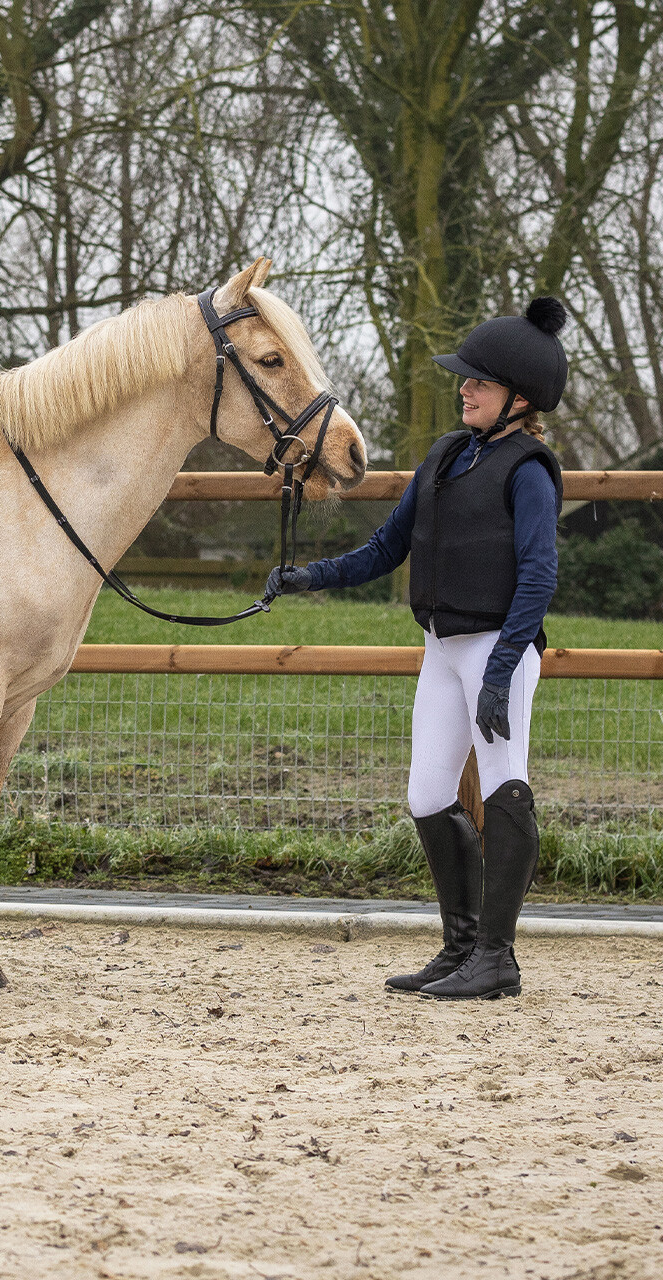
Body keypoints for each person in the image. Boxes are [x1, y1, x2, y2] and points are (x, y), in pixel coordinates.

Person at [267, 297, 568, 1000]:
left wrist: (499, 673)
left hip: (500, 648)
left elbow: (539, 575)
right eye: (465, 379)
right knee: (429, 794)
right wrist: (312, 577)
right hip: (442, 647)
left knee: (504, 785)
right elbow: (386, 546)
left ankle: (498, 957)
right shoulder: (445, 455)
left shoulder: (530, 469)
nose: (463, 388)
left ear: (519, 401)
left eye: (479, 382)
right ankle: (461, 947)